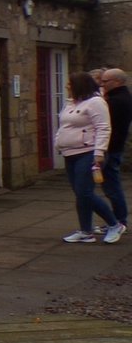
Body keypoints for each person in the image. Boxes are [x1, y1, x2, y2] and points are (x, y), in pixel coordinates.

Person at [55, 71, 117, 243]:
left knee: (84, 193)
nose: (67, 86)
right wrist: (58, 142)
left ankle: (114, 224)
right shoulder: (71, 103)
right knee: (80, 193)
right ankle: (86, 231)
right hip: (70, 153)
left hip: (88, 153)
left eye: (70, 83)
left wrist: (99, 153)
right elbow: (64, 126)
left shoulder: (96, 103)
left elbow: (103, 128)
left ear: (79, 85)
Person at [99, 67, 131, 243]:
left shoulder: (117, 100)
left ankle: (119, 221)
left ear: (117, 82)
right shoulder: (118, 97)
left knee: (112, 186)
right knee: (111, 186)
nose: (102, 84)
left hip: (111, 149)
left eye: (106, 81)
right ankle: (117, 220)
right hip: (113, 147)